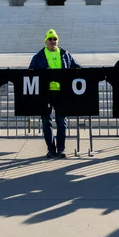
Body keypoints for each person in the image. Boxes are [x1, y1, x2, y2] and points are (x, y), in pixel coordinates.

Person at [29, 29, 81, 159]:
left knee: (62, 121)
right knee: (46, 121)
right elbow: (30, 72)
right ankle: (51, 149)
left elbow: (77, 68)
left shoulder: (65, 54)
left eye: (55, 39)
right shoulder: (38, 56)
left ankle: (61, 149)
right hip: (45, 93)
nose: (53, 41)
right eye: (50, 39)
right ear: (45, 41)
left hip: (61, 92)